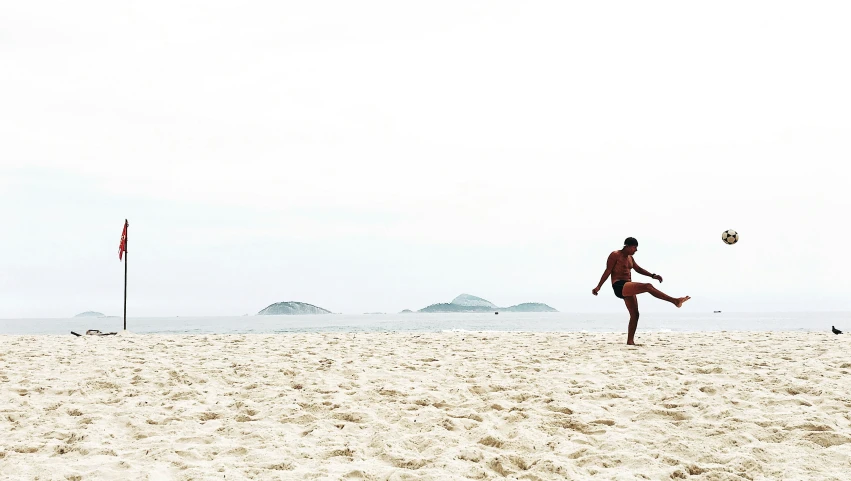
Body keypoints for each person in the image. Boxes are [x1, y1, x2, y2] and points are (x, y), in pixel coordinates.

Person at [592, 237, 690, 345]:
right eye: (634, 247)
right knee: (648, 286)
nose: (636, 250)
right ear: (627, 246)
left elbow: (638, 269)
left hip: (628, 286)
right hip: (619, 285)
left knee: (635, 314)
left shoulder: (630, 258)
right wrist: (598, 286)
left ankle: (630, 341)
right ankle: (675, 301)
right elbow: (608, 270)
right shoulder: (615, 255)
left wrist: (653, 275)